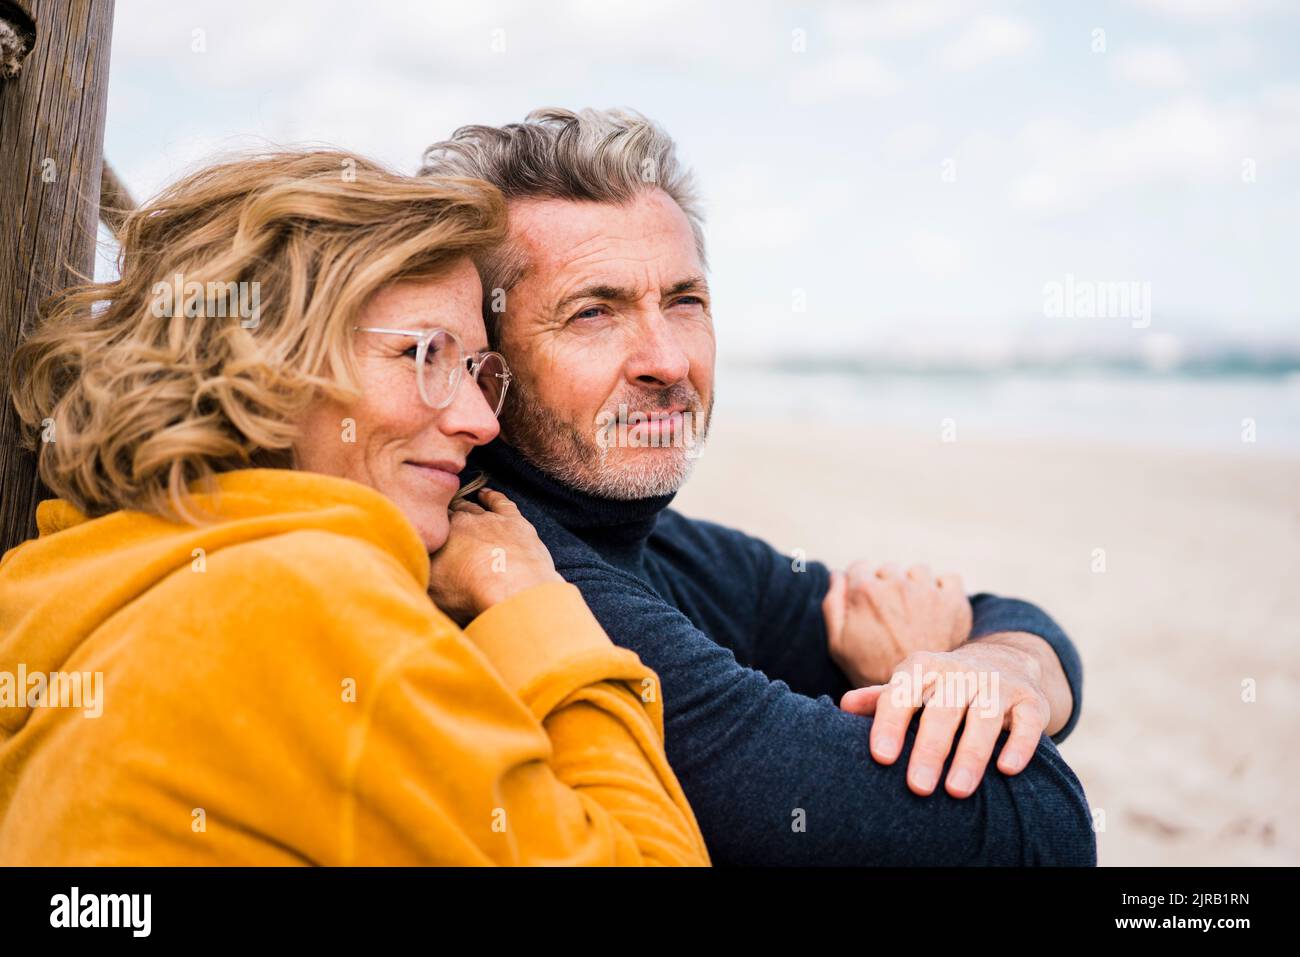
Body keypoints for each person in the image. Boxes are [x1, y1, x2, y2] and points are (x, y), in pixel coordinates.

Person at [419, 108, 1097, 865]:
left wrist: (997, 668)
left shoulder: (666, 547)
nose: (668, 361)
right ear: (483, 362)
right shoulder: (529, 577)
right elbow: (1041, 829)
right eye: (593, 312)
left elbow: (1005, 617)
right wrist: (931, 680)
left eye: (684, 300)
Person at [0, 150, 708, 866]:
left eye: (475, 370)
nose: (480, 420)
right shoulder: (309, 599)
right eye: (422, 354)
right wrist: (534, 604)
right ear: (262, 368)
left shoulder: (69, 581)